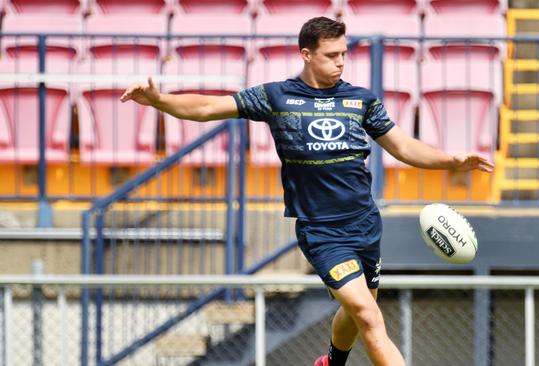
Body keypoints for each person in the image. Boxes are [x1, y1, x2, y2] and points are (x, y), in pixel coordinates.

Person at [121, 16, 494, 366]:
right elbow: (207, 107)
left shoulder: (361, 101)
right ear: (307, 54)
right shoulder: (277, 97)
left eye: (344, 54)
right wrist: (159, 100)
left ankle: (332, 362)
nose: (341, 62)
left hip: (365, 226)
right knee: (368, 314)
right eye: (332, 55)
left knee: (354, 310)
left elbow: (404, 147)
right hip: (321, 232)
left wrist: (452, 161)